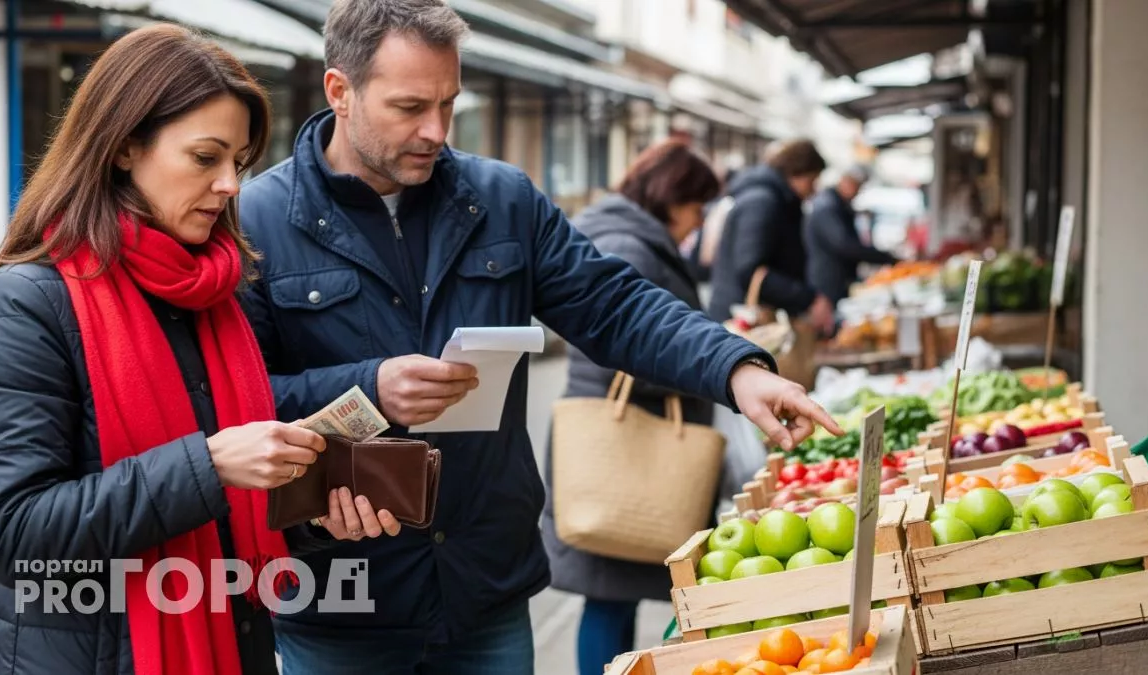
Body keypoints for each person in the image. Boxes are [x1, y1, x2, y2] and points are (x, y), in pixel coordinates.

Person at [236, 2, 843, 673]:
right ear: (339, 91)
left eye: (449, 103)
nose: (436, 130)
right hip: (341, 599)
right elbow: (238, 407)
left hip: (484, 589)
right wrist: (369, 389)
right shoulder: (257, 222)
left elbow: (613, 305)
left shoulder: (502, 199)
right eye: (410, 107)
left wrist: (737, 370)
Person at [0, 24, 391, 675]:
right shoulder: (24, 304)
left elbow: (228, 519)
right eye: (205, 157)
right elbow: (13, 534)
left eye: (239, 162)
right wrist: (209, 465)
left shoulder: (215, 299)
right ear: (125, 146)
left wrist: (316, 512)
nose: (230, 185)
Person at [538, 139, 722, 673]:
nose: (698, 221)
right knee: (610, 596)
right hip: (621, 446)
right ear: (672, 196)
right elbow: (622, 350)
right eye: (697, 207)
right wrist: (701, 370)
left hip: (616, 440)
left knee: (609, 595)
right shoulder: (631, 244)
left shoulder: (627, 232)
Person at [706, 140, 835, 335]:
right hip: (742, 322)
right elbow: (750, 271)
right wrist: (806, 298)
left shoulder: (776, 200)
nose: (813, 189)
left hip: (752, 317)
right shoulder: (762, 202)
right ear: (797, 172)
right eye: (812, 180)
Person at [804, 165, 898, 307]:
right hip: (829, 282)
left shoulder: (836, 204)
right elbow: (845, 244)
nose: (857, 192)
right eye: (856, 185)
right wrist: (885, 258)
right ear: (844, 180)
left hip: (837, 279)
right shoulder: (827, 206)